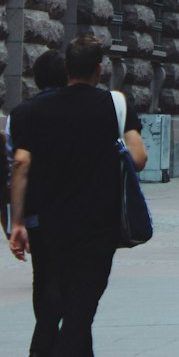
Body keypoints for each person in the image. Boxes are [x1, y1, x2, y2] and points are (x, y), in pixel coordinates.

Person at [7, 33, 147, 354]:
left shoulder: (29, 111)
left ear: (67, 67)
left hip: (48, 224)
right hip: (99, 223)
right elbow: (138, 160)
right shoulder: (115, 104)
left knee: (49, 301)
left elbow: (21, 163)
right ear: (99, 69)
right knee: (81, 310)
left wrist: (17, 222)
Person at [5, 49, 68, 348]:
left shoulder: (22, 113)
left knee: (42, 274)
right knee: (67, 275)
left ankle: (47, 337)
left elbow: (14, 165)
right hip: (75, 209)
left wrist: (14, 219)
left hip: (36, 212)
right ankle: (46, 340)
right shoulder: (82, 110)